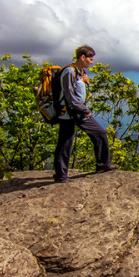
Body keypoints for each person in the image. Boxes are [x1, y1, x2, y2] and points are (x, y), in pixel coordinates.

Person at [53, 45, 116, 182]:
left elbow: (76, 91)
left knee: (98, 133)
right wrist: (84, 110)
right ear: (82, 57)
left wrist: (84, 81)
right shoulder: (69, 71)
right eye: (90, 59)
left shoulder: (78, 71)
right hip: (69, 113)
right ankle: (61, 176)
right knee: (65, 143)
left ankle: (102, 165)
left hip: (75, 112)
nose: (92, 62)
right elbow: (69, 96)